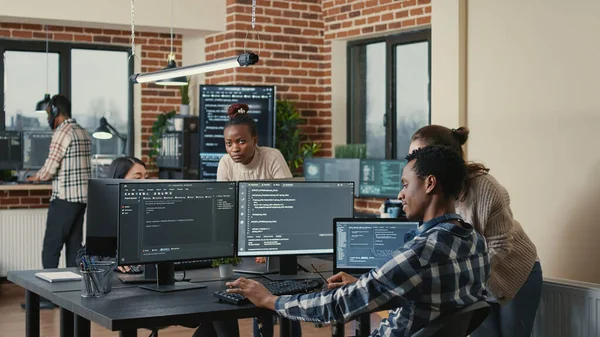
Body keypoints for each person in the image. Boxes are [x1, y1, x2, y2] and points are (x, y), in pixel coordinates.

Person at [225, 145, 490, 336]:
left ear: (430, 184)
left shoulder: (421, 252)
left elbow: (339, 305)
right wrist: (369, 283)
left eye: (406, 184)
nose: (401, 194)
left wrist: (271, 301)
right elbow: (431, 299)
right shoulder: (476, 241)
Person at [409, 125, 542, 337]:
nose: (412, 163)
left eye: (418, 155)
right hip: (475, 280)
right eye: (410, 155)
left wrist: (463, 275)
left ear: (442, 157)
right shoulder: (427, 192)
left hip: (515, 273)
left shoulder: (487, 189)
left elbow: (500, 245)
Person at [193, 103, 296, 337]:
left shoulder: (272, 157)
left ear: (255, 140)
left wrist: (269, 245)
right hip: (239, 239)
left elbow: (289, 202)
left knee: (275, 289)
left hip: (274, 236)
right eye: (229, 143)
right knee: (221, 292)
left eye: (241, 141)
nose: (234, 149)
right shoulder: (225, 164)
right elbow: (224, 210)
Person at [27, 94, 91, 270]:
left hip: (64, 199)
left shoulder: (62, 132)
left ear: (56, 111)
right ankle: (71, 292)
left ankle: (48, 293)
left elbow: (49, 170)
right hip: (81, 200)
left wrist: (35, 177)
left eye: (49, 113)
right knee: (74, 248)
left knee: (51, 248)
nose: (48, 117)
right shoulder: (82, 131)